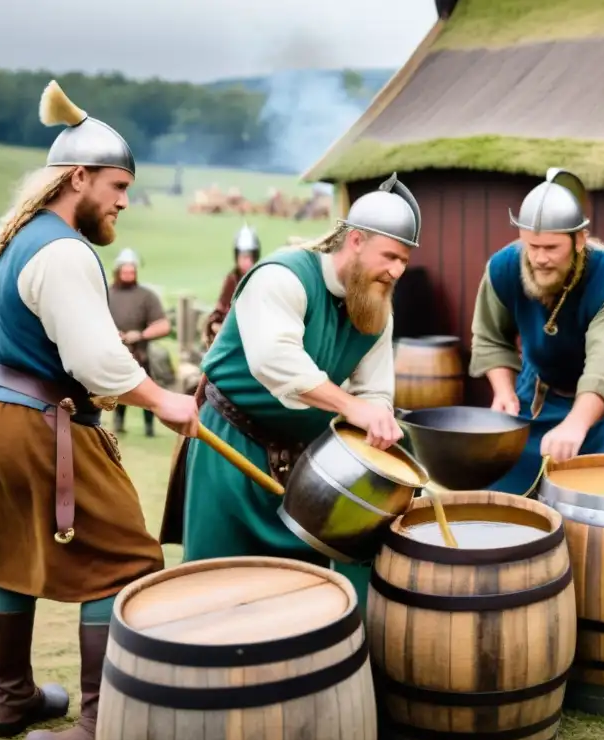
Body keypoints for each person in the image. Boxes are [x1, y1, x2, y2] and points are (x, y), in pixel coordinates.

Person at [0, 80, 199, 740]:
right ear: (78, 177)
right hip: (41, 424)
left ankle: (13, 697)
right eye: (117, 185)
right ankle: (97, 727)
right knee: (123, 562)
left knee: (10, 553)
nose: (123, 201)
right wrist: (165, 400)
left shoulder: (8, 238)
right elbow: (96, 361)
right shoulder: (62, 250)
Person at [160, 173, 419, 607]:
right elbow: (276, 363)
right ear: (354, 241)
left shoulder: (377, 309)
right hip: (231, 450)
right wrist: (351, 406)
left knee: (303, 598)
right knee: (215, 592)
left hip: (310, 467)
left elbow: (375, 391)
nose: (397, 271)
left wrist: (376, 419)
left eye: (404, 261)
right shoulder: (283, 276)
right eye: (390, 256)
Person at [469, 168, 604, 495]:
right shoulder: (504, 267)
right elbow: (490, 338)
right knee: (493, 476)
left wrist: (575, 424)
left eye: (551, 248)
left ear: (580, 239)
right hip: (540, 390)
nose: (539, 259)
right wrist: (503, 391)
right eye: (532, 246)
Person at [107, 247, 171, 436]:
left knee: (147, 390)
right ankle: (118, 424)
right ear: (118, 271)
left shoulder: (146, 296)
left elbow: (163, 325)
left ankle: (149, 427)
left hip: (140, 354)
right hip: (114, 353)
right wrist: (111, 333)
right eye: (125, 271)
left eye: (132, 271)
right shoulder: (105, 293)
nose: (128, 274)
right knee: (117, 390)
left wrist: (141, 334)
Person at [202, 223, 261, 348]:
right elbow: (219, 314)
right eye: (243, 257)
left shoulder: (261, 278)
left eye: (249, 257)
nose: (246, 261)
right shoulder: (232, 280)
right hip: (232, 335)